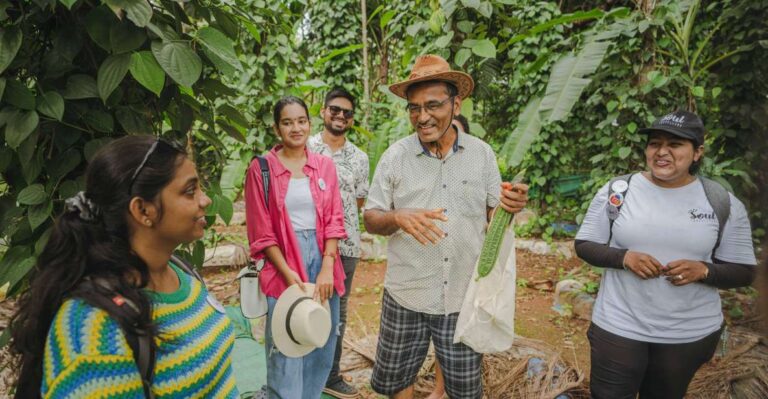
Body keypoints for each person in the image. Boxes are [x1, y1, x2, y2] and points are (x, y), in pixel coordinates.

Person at [9, 136, 239, 398]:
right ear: (143, 210)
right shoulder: (94, 334)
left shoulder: (181, 273)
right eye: (190, 191)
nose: (205, 200)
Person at [363, 54, 529, 399]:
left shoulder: (482, 155)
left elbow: (493, 215)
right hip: (406, 294)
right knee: (397, 381)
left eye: (433, 105)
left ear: (457, 103)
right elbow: (371, 217)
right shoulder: (395, 156)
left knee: (464, 389)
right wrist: (397, 217)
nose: (422, 117)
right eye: (413, 108)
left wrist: (509, 208)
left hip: (461, 296)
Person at [575, 110, 757, 399]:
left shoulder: (721, 202)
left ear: (697, 153)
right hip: (619, 325)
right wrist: (624, 258)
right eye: (654, 143)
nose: (662, 152)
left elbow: (745, 271)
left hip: (687, 334)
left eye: (675, 145)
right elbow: (585, 244)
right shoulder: (619, 191)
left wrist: (704, 270)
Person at [244, 96, 347, 398]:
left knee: (319, 337)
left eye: (301, 120)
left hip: (324, 259)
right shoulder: (261, 170)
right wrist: (290, 275)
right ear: (277, 129)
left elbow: (334, 219)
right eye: (287, 122)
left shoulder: (324, 166)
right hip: (283, 263)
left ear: (309, 123)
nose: (296, 128)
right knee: (286, 341)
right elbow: (262, 233)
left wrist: (327, 266)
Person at [307, 87, 369, 399]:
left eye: (347, 112)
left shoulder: (360, 158)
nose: (340, 116)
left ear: (351, 118)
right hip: (307, 242)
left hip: (345, 247)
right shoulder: (304, 147)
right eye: (335, 109)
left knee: (336, 315)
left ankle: (331, 375)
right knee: (304, 303)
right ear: (323, 111)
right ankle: (301, 372)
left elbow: (357, 201)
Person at [428, 113, 470, 399]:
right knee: (439, 331)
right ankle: (438, 388)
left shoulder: (476, 165)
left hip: (463, 265)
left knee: (456, 334)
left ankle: (448, 387)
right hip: (429, 263)